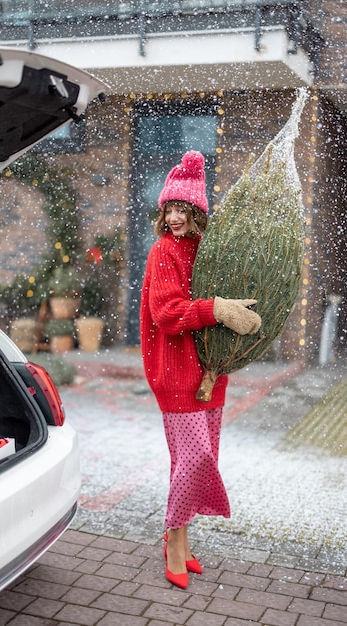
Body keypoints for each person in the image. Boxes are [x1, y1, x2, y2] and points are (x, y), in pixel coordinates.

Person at [140, 150, 261, 589]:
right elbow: (167, 313)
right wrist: (216, 309)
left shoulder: (207, 250)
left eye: (182, 209)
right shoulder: (162, 252)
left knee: (194, 460)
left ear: (196, 213)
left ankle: (185, 542)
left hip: (211, 375)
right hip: (175, 372)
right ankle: (174, 543)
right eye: (168, 208)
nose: (173, 217)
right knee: (195, 459)